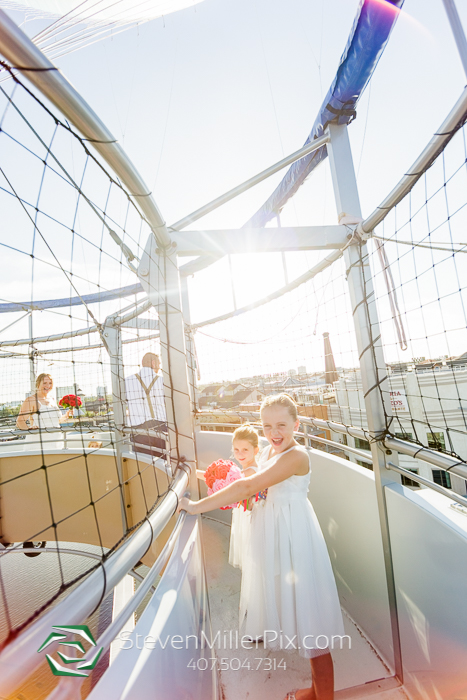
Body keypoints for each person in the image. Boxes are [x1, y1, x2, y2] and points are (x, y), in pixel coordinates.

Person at [178, 394, 345, 700]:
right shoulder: (269, 451)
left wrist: (195, 507)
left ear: (296, 424)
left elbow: (246, 487)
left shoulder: (296, 456)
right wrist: (205, 475)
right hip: (279, 539)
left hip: (295, 542)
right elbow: (245, 477)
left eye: (282, 425)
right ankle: (316, 689)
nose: (274, 432)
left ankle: (326, 696)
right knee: (297, 610)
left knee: (311, 621)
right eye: (267, 426)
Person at [197, 424, 260, 569]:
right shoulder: (243, 470)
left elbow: (229, 487)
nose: (240, 454)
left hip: (252, 518)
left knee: (253, 556)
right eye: (236, 450)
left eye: (245, 450)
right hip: (244, 515)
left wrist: (198, 474)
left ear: (255, 450)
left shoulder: (250, 472)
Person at [124, 352, 167, 458]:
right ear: (153, 363)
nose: (159, 367)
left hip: (138, 431)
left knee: (143, 463)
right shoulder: (163, 381)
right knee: (164, 464)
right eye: (159, 364)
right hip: (160, 429)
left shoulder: (126, 381)